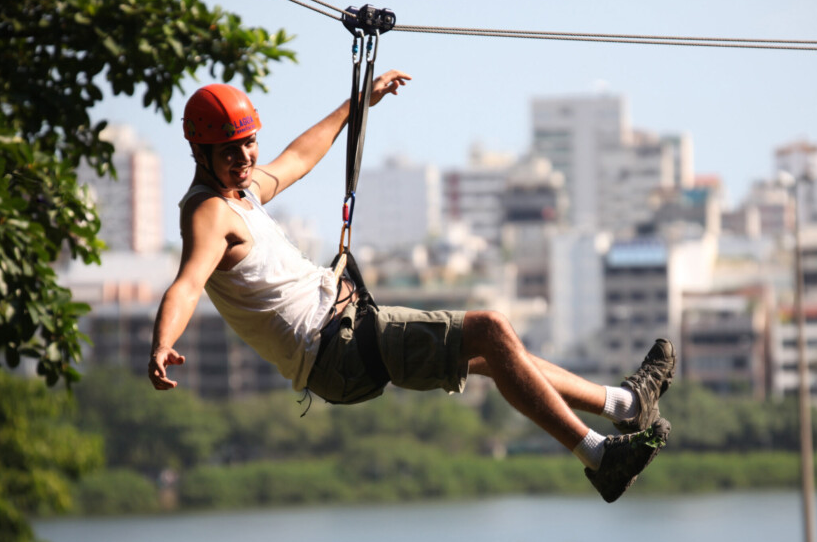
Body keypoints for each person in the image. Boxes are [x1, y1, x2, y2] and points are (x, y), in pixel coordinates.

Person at [148, 71, 676, 503]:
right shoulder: (210, 213)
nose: (245, 159)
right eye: (230, 152)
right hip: (338, 346)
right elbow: (187, 283)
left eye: (248, 144)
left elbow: (298, 158)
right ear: (200, 152)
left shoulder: (241, 192)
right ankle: (600, 456)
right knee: (490, 329)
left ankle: (627, 403)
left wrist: (358, 103)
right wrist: (163, 342)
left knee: (500, 356)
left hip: (345, 340)